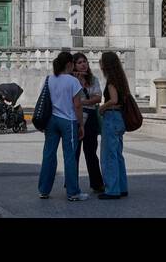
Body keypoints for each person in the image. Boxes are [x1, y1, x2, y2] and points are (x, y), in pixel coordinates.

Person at [37, 50, 88, 202]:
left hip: (52, 120)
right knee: (70, 156)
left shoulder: (50, 79)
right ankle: (73, 192)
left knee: (48, 154)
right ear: (69, 64)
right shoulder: (73, 81)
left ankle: (43, 189)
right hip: (68, 120)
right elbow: (77, 105)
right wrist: (81, 125)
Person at [97, 51, 130, 199]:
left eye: (102, 61)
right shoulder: (121, 79)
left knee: (109, 155)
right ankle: (122, 187)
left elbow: (114, 100)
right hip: (120, 119)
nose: (100, 64)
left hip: (111, 117)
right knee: (117, 154)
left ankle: (112, 190)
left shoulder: (111, 81)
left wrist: (102, 108)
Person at [72, 52, 104, 193]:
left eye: (85, 61)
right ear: (74, 65)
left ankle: (96, 183)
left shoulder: (94, 79)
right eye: (79, 62)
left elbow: (98, 98)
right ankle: (72, 183)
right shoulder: (71, 80)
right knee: (74, 152)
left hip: (90, 116)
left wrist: (83, 101)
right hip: (76, 116)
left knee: (91, 151)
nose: (83, 64)